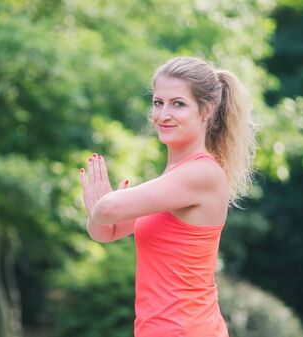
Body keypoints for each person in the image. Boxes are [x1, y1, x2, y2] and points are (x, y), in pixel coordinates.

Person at [79, 56, 256, 337]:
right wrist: (100, 207)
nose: (162, 115)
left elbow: (109, 210)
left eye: (178, 104)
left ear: (206, 110)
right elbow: (106, 231)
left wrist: (104, 205)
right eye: (158, 102)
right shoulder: (172, 179)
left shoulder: (201, 174)